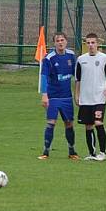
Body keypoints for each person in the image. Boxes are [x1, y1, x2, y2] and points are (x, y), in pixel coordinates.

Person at [74, 33, 106, 160]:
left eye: (93, 42)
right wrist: (77, 95)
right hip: (85, 98)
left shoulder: (105, 58)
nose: (91, 45)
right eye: (88, 43)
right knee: (88, 125)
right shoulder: (81, 59)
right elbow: (77, 79)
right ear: (86, 44)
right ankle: (92, 153)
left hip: (99, 97)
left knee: (98, 122)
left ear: (97, 44)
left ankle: (102, 153)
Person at [38, 32, 79, 160]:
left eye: (62, 40)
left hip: (67, 97)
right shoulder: (49, 58)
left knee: (69, 123)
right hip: (53, 96)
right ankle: (46, 152)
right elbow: (44, 77)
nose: (60, 42)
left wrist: (77, 94)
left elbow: (77, 76)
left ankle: (72, 152)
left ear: (66, 41)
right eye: (57, 40)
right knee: (51, 122)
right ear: (54, 43)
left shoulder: (71, 56)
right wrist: (45, 95)